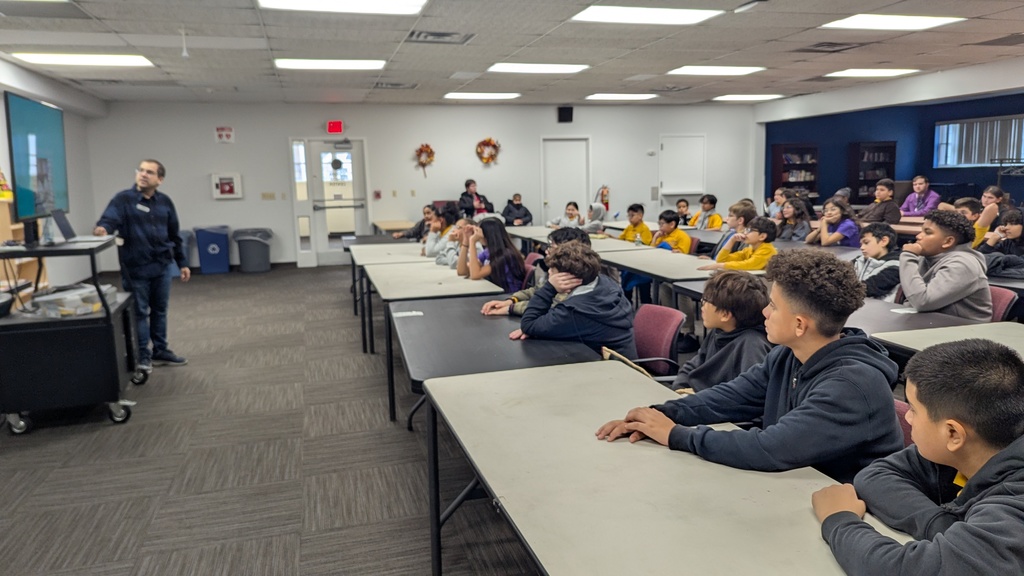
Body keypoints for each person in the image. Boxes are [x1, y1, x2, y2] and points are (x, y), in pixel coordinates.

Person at [596, 249, 903, 483]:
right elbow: (730, 397)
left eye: (772, 305)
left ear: (799, 324)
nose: (764, 312)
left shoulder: (852, 384)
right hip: (794, 487)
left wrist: (675, 434)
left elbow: (772, 448)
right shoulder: (788, 355)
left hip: (850, 510)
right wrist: (659, 414)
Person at [811, 339, 1024, 576]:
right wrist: (944, 525)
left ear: (953, 432)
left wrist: (840, 519)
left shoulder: (1012, 509)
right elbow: (876, 476)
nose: (907, 419)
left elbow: (904, 570)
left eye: (912, 409)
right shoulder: (975, 447)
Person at [94, 159, 190, 372]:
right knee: (139, 312)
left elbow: (174, 234)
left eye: (149, 172)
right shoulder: (123, 199)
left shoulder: (165, 202)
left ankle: (160, 350)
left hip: (162, 265)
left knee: (160, 310)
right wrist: (103, 229)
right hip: (136, 268)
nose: (143, 174)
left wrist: (182, 262)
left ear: (160, 179)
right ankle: (142, 356)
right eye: (141, 170)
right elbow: (109, 220)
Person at [512, 242, 636, 357]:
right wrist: (540, 328)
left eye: (552, 271)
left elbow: (528, 324)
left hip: (611, 370)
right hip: (616, 360)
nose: (548, 272)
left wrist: (549, 288)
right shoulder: (604, 282)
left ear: (567, 278)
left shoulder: (573, 311)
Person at [670, 271, 773, 393]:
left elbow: (748, 396)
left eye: (706, 300)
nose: (702, 306)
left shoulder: (752, 346)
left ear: (725, 315)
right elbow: (694, 365)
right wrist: (679, 388)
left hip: (712, 406)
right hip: (696, 400)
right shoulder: (719, 331)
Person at [899, 209, 992, 322]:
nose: (918, 236)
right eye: (921, 231)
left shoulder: (962, 265)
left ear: (948, 242)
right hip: (929, 324)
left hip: (963, 332)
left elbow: (922, 302)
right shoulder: (927, 257)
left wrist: (908, 256)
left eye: (927, 232)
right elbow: (910, 301)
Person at [481, 228, 590, 316]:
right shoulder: (559, 271)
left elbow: (551, 307)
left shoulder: (573, 280)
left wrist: (511, 308)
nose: (547, 251)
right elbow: (536, 290)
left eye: (552, 247)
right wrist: (511, 301)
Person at [456, 218, 525, 293]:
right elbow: (462, 271)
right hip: (494, 292)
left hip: (506, 296)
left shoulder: (506, 255)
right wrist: (466, 241)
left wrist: (472, 241)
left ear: (487, 235)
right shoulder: (488, 252)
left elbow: (475, 275)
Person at [699, 216, 777, 271]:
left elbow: (748, 265)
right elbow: (721, 259)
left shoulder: (767, 250)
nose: (745, 233)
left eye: (750, 230)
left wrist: (721, 266)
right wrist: (732, 240)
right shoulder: (749, 250)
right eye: (746, 229)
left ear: (762, 236)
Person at [853, 223, 901, 302]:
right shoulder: (859, 260)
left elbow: (870, 287)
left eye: (866, 242)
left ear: (883, 241)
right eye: (861, 244)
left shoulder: (897, 266)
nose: (862, 248)